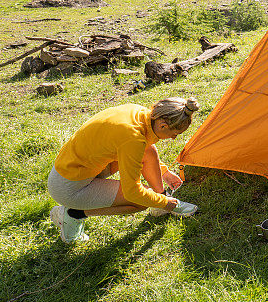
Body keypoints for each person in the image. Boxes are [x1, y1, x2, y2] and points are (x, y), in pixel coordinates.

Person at [47, 97, 200, 243]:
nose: (173, 138)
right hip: (68, 187)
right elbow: (132, 191)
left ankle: (161, 201)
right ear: (163, 126)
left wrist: (163, 172)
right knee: (139, 202)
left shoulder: (138, 113)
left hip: (72, 169)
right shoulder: (132, 139)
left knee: (148, 150)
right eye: (175, 134)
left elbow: (138, 150)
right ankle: (71, 213)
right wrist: (161, 202)